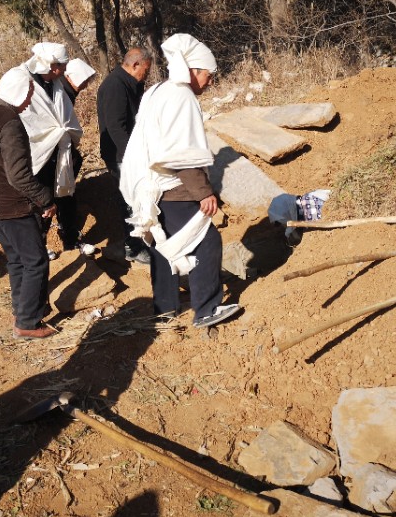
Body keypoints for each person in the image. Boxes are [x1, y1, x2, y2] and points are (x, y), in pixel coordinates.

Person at [120, 34, 242, 328]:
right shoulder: (182, 96)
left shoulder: (158, 90)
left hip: (148, 185)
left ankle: (165, 309)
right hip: (172, 186)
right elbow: (180, 153)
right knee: (207, 241)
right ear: (194, 70)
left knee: (164, 245)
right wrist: (203, 192)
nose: (210, 82)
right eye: (209, 75)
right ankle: (207, 309)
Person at [0, 65, 58, 339]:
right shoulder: (9, 122)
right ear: (19, 91)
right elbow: (19, 176)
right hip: (12, 205)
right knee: (36, 261)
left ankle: (21, 309)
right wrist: (45, 199)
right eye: (30, 92)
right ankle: (28, 322)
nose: (30, 99)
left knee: (17, 260)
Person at [20, 42, 93, 256]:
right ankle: (38, 248)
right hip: (38, 154)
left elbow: (63, 117)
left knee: (66, 197)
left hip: (61, 152)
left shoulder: (56, 85)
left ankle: (71, 241)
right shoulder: (25, 82)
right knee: (42, 202)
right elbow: (30, 121)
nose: (64, 70)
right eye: (62, 65)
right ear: (53, 66)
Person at [96, 47, 153, 264]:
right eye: (145, 70)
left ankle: (142, 240)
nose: (146, 75)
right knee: (130, 201)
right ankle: (133, 248)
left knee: (138, 199)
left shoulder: (129, 83)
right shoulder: (115, 86)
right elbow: (116, 127)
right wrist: (133, 156)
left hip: (129, 153)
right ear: (135, 65)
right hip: (121, 156)